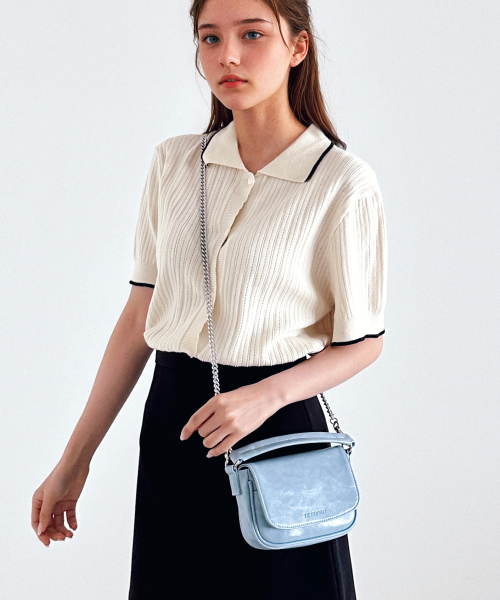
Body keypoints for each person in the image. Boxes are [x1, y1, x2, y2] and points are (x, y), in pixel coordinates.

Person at [31, 0, 388, 598]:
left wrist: (263, 397)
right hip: (175, 427)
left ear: (298, 47)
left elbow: (364, 342)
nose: (229, 56)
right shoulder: (174, 164)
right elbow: (139, 320)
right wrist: (74, 460)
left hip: (278, 429)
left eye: (253, 35)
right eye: (210, 38)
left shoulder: (341, 182)